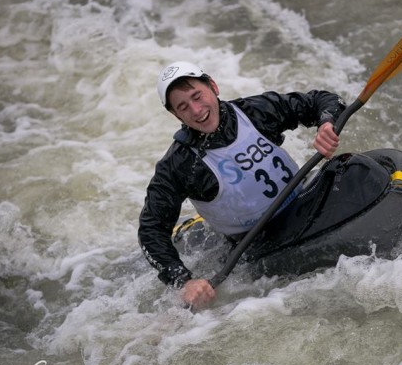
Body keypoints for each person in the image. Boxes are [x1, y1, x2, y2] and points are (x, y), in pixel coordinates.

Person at [138, 61, 345, 308]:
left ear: (212, 86)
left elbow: (320, 101)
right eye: (183, 106)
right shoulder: (180, 164)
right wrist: (183, 281)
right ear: (175, 115)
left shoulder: (255, 111)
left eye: (197, 96)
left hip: (303, 204)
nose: (196, 110)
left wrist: (326, 124)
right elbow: (151, 230)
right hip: (256, 243)